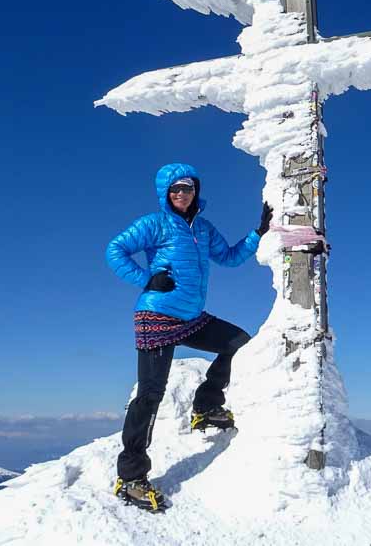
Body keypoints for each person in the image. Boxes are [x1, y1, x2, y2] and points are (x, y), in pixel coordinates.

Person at [105, 162, 272, 511]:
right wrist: (146, 279)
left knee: (237, 342)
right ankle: (131, 476)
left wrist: (259, 232)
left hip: (191, 317)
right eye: (175, 189)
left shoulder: (204, 229)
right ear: (166, 193)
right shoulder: (155, 224)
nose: (181, 194)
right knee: (150, 395)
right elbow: (115, 250)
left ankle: (207, 406)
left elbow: (228, 257)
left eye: (187, 187)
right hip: (156, 314)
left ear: (196, 190)